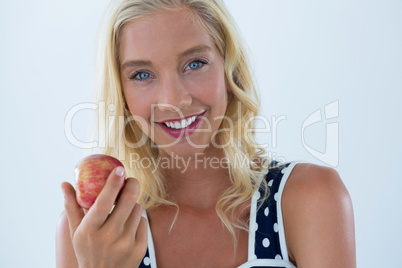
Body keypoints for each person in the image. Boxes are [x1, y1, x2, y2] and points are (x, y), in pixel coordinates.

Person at [56, 0, 356, 267]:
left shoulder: (308, 196)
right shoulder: (92, 232)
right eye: (142, 75)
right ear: (122, 94)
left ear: (229, 70)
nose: (174, 100)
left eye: (195, 64)